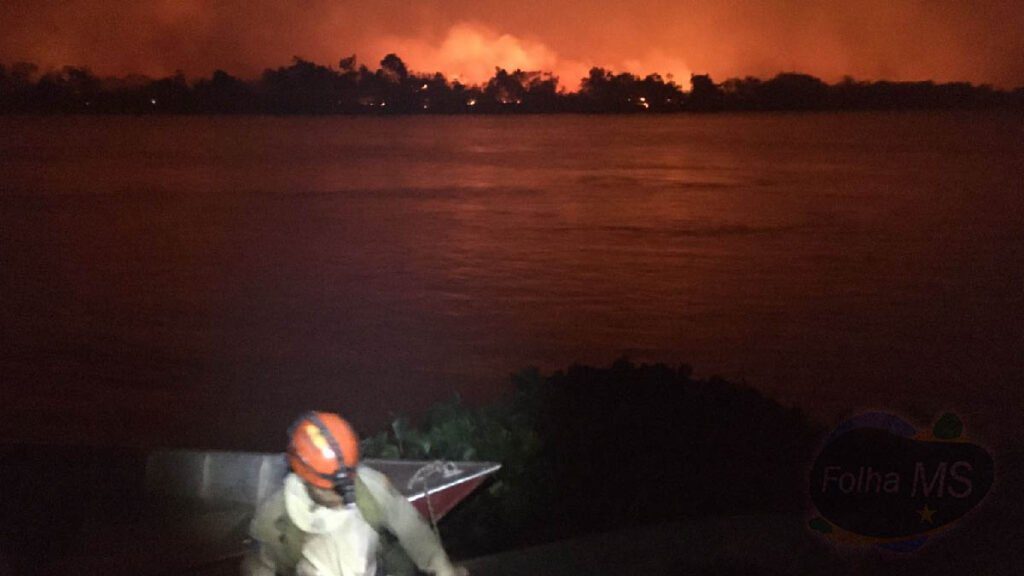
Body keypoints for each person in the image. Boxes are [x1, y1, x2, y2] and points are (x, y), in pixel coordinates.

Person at [243, 411, 466, 576]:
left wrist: (445, 571)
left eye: (348, 482)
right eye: (333, 488)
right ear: (306, 478)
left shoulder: (369, 487)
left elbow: (415, 533)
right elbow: (258, 568)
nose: (345, 494)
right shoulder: (276, 515)